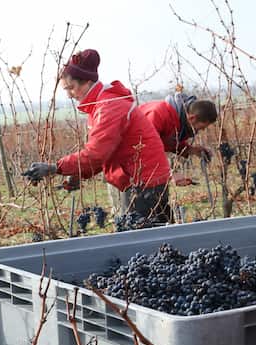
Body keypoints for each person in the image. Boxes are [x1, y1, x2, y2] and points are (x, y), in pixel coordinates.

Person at [22, 49, 172, 223]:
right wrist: (79, 173)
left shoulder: (107, 107)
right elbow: (105, 152)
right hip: (140, 178)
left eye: (71, 88)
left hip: (145, 182)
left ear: (87, 81)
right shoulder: (101, 104)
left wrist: (55, 168)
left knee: (142, 240)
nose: (69, 95)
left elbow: (96, 153)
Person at [140, 92, 218, 161]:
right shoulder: (158, 115)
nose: (203, 130)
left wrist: (191, 150)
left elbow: (169, 141)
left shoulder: (179, 123)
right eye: (202, 127)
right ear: (192, 118)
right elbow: (145, 148)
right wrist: (167, 174)